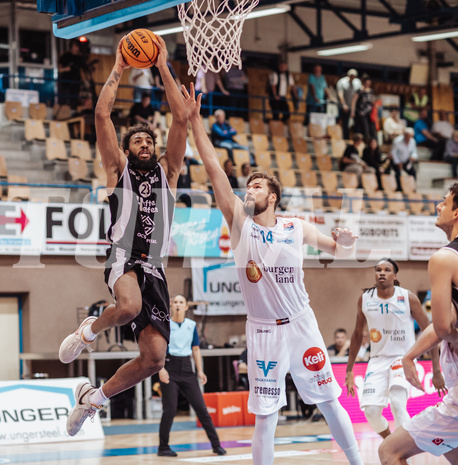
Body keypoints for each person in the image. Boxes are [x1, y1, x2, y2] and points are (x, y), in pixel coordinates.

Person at [183, 83, 364, 465]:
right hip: (263, 329)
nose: (249, 190)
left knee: (330, 402)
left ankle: (359, 463)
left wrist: (346, 241)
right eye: (248, 186)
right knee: (266, 416)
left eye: (257, 186)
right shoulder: (239, 225)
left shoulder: (297, 227)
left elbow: (341, 251)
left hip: (301, 323)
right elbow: (214, 167)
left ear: (272, 197)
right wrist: (194, 121)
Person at [58, 35, 188, 437]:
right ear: (128, 150)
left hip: (156, 268)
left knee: (154, 359)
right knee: (128, 307)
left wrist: (163, 64)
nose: (146, 144)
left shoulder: (169, 172)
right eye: (139, 141)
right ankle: (87, 331)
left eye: (150, 140)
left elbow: (181, 119)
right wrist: (119, 66)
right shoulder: (118, 171)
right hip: (123, 257)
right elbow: (101, 117)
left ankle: (93, 399)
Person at [378, 183, 458, 464]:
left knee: (389, 451)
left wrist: (411, 356)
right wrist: (411, 355)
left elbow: (444, 327)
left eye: (444, 202)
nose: (438, 206)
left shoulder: (444, 258)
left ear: (457, 211)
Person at [345, 258, 444, 440]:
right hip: (377, 360)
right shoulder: (365, 299)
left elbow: (431, 333)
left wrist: (436, 369)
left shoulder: (407, 297)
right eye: (378, 269)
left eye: (387, 269)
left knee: (398, 403)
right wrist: (349, 370)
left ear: (395, 275)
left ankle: (402, 450)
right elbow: (357, 334)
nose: (381, 272)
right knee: (371, 412)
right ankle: (392, 443)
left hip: (403, 357)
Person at [157, 295, 226, 457]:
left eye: (181, 302)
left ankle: (216, 445)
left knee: (201, 409)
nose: (178, 305)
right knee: (170, 409)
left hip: (187, 369)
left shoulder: (191, 325)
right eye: (175, 302)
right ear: (171, 306)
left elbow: (196, 349)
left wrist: (200, 371)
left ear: (187, 307)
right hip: (169, 367)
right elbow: (158, 348)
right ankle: (163, 447)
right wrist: (161, 369)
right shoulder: (165, 324)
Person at [58, 40, 85, 108]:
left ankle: (73, 112)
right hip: (65, 83)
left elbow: (82, 70)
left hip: (75, 83)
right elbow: (59, 69)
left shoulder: (80, 58)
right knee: (63, 100)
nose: (76, 48)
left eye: (77, 46)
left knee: (73, 101)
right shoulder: (65, 56)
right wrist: (66, 69)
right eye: (74, 46)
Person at [337, 69, 362, 139]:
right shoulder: (342, 82)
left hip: (353, 107)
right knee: (345, 124)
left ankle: (356, 139)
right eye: (351, 76)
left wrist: (353, 110)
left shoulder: (357, 83)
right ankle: (345, 138)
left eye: (354, 76)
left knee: (356, 124)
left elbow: (356, 97)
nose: (352, 77)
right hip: (345, 106)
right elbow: (340, 94)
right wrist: (344, 105)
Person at [351, 74, 376, 141]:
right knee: (365, 130)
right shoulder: (360, 91)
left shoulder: (371, 91)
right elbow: (354, 100)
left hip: (369, 114)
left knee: (372, 130)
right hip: (361, 113)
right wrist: (352, 111)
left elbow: (373, 101)